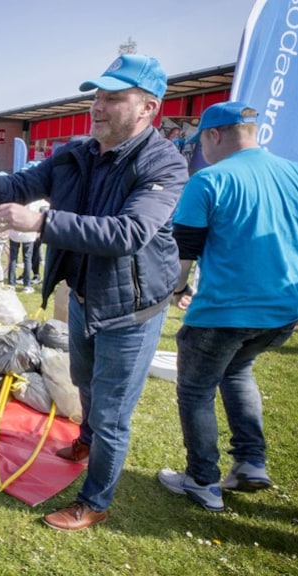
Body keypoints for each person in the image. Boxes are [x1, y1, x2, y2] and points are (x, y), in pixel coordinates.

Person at [0, 54, 189, 531]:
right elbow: (18, 184)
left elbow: (128, 232)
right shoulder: (76, 153)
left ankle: (95, 501)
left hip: (131, 310)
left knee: (113, 410)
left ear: (148, 108)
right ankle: (88, 439)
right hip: (84, 297)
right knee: (87, 385)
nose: (98, 106)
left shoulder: (164, 164)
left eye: (114, 98)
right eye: (96, 95)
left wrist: (43, 222)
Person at [156, 102, 298, 512]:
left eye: (201, 141)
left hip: (224, 310)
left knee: (196, 390)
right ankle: (251, 462)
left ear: (214, 135)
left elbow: (184, 251)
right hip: (282, 312)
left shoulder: (208, 180)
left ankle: (202, 480)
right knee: (238, 371)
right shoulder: (292, 173)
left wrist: (175, 290)